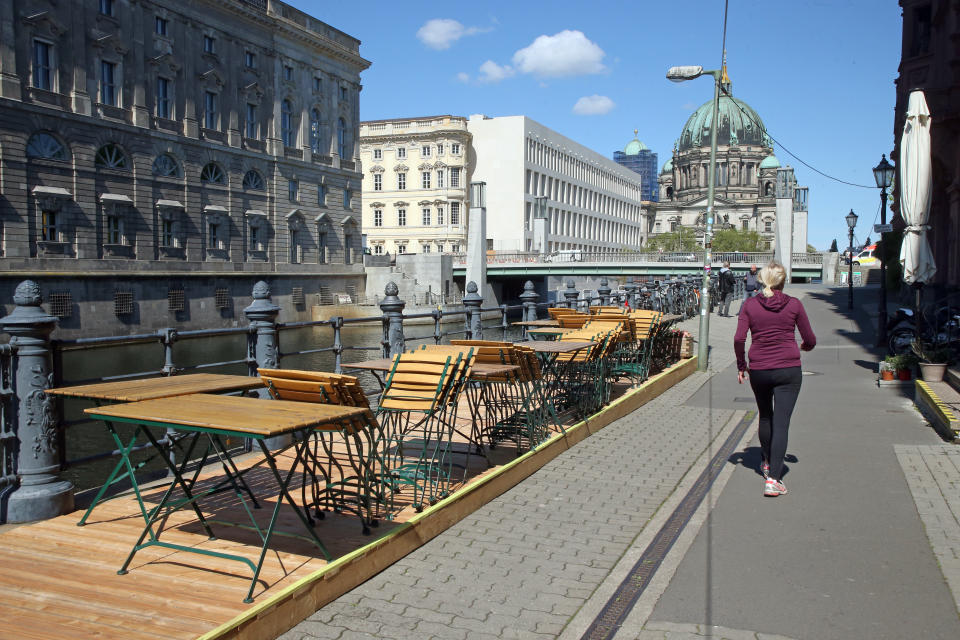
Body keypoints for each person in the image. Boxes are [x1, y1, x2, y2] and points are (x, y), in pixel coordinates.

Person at [734, 262, 816, 497]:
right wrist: (805, 346)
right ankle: (773, 479)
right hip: (788, 368)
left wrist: (742, 365)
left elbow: (739, 339)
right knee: (782, 422)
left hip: (759, 368)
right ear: (783, 281)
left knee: (766, 416)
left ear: (761, 280)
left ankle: (767, 461)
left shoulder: (750, 305)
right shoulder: (794, 304)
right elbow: (810, 338)